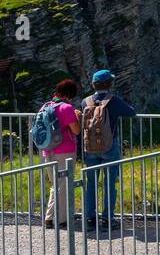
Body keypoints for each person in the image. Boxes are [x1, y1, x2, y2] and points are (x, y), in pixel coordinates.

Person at [80, 69, 137, 231]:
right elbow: (131, 112)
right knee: (109, 183)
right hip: (109, 146)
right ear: (109, 84)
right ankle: (107, 219)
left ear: (93, 84)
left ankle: (90, 219)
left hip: (89, 148)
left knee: (90, 183)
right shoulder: (113, 101)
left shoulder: (86, 102)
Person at [41, 79, 82, 229]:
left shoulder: (46, 106)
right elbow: (76, 130)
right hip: (65, 150)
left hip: (48, 149)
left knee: (55, 184)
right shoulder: (66, 108)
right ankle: (62, 219)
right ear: (70, 95)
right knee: (64, 184)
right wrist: (76, 116)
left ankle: (49, 217)